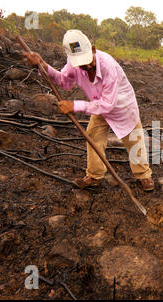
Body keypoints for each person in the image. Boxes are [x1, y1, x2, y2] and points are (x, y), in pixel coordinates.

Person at [23, 29, 154, 191]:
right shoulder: (74, 64)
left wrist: (75, 105)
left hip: (122, 107)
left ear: (93, 49)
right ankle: (94, 175)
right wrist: (43, 65)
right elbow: (64, 82)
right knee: (93, 137)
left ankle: (144, 175)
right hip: (98, 107)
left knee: (135, 139)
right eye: (81, 64)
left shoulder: (108, 66)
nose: (86, 66)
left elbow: (108, 104)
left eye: (88, 61)